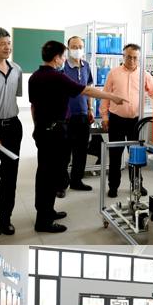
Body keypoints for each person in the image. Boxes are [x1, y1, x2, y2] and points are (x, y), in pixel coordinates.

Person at [28, 40, 128, 233]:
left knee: (46, 173)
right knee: (49, 176)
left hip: (42, 130)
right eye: (63, 56)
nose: (64, 59)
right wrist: (113, 97)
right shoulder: (57, 77)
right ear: (57, 58)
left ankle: (47, 211)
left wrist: (37, 128)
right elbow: (86, 90)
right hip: (55, 132)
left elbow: (33, 107)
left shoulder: (34, 77)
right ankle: (43, 221)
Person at [101, 43, 153, 198]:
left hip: (135, 122)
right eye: (129, 57)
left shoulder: (144, 75)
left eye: (135, 58)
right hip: (116, 120)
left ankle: (137, 185)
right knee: (115, 155)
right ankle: (113, 186)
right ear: (123, 56)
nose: (132, 60)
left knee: (136, 155)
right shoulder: (114, 73)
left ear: (139, 58)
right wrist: (104, 116)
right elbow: (105, 95)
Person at [0, 27, 23, 237]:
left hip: (13, 127)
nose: (7, 47)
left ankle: (6, 219)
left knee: (10, 177)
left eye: (9, 43)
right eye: (2, 44)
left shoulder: (16, 69)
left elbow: (14, 97)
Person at [60, 36, 95, 195]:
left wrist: (90, 108)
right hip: (66, 116)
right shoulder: (62, 67)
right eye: (74, 46)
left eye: (80, 46)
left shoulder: (86, 66)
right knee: (64, 152)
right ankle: (61, 185)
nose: (78, 49)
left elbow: (89, 89)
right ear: (68, 48)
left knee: (81, 151)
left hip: (83, 115)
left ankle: (76, 181)